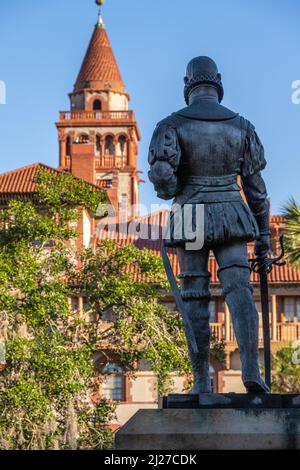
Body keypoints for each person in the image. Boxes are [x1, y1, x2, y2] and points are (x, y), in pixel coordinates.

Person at [148, 56, 270, 393]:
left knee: (195, 296)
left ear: (187, 85)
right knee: (239, 290)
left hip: (190, 213)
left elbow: (165, 184)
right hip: (232, 210)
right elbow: (257, 191)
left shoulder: (170, 125)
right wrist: (264, 237)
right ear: (218, 81)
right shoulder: (242, 126)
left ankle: (201, 380)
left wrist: (166, 183)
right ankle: (251, 371)